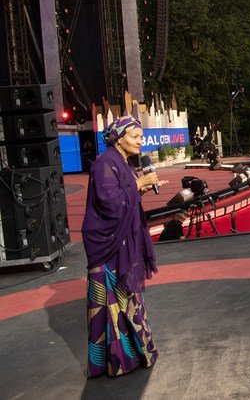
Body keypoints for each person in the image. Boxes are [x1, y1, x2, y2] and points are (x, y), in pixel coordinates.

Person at [82, 115, 167, 377]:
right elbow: (109, 203)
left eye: (141, 137)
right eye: (135, 137)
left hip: (123, 243)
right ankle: (117, 361)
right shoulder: (104, 163)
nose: (141, 141)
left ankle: (136, 353)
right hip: (107, 245)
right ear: (118, 138)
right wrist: (139, 183)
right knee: (109, 303)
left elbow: (124, 196)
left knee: (128, 299)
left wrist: (139, 188)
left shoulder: (124, 162)